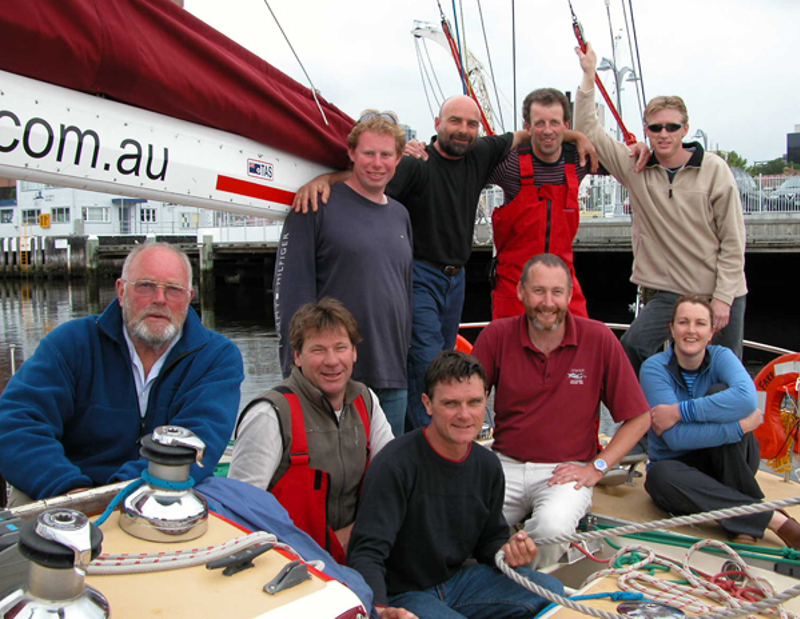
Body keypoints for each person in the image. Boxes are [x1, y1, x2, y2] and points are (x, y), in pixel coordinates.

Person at [294, 95, 598, 430]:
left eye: (471, 124)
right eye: (454, 121)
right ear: (437, 124)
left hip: (457, 279)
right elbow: (368, 180)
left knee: (442, 358)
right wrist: (326, 181)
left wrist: (578, 137)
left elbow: (529, 134)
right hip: (421, 276)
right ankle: (427, 441)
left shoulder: (481, 153)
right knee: (427, 363)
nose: (463, 130)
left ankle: (431, 436)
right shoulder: (416, 164)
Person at [0, 242, 244, 505]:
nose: (159, 299)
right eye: (145, 286)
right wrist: (68, 489)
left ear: (189, 297)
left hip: (165, 494)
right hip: (64, 493)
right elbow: (16, 423)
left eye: (173, 289)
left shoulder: (216, 358)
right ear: (120, 291)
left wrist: (118, 497)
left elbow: (197, 441)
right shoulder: (71, 343)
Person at [347, 350, 564, 619]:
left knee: (552, 593)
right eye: (451, 404)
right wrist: (379, 609)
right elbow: (366, 552)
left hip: (458, 582)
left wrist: (507, 552)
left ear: (486, 400)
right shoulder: (395, 463)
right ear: (428, 404)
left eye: (474, 402)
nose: (465, 415)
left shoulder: (488, 465)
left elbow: (489, 542)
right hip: (402, 593)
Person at [575, 43, 748, 377]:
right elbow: (588, 128)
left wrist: (723, 299)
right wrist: (588, 75)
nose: (663, 134)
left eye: (671, 127)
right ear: (646, 131)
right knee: (633, 348)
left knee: (723, 376)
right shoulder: (634, 168)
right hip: (669, 294)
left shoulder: (715, 171)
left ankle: (726, 430)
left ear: (685, 129)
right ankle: (650, 422)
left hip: (718, 292)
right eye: (655, 128)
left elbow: (732, 241)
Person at [472, 253, 651, 568]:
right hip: (504, 466)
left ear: (569, 296)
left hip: (568, 471)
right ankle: (500, 581)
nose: (548, 302)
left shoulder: (598, 339)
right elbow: (466, 400)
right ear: (521, 293)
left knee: (552, 529)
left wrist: (597, 467)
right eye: (538, 291)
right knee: (464, 525)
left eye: (557, 292)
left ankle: (517, 587)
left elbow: (639, 417)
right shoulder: (496, 336)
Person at [274, 111, 413, 436]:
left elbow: (404, 290)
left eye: (385, 155)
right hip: (333, 376)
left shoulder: (400, 215)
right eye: (368, 153)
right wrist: (294, 373)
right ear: (351, 154)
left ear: (398, 159)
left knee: (384, 478)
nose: (377, 163)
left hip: (393, 376)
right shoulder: (315, 204)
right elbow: (291, 293)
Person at [229, 298, 394, 563]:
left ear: (354, 352)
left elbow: (393, 477)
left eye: (340, 347)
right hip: (288, 562)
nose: (332, 361)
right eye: (318, 350)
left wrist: (355, 535)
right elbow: (239, 512)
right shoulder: (270, 415)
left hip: (359, 553)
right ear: (297, 356)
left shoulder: (367, 401)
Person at [640, 294, 800, 548]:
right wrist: (739, 427)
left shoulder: (722, 357)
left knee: (718, 390)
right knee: (659, 475)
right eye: (683, 322)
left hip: (730, 459)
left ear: (711, 331)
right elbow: (674, 439)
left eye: (700, 323)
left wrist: (680, 412)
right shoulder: (654, 368)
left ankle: (741, 519)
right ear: (671, 329)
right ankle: (772, 518)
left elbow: (747, 401)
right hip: (680, 469)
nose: (691, 330)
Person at [487, 88, 594, 320]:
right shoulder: (509, 164)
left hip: (563, 284)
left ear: (566, 125)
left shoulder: (580, 159)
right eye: (539, 123)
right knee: (509, 348)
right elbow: (465, 164)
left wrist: (641, 150)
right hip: (514, 286)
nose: (547, 130)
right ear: (527, 126)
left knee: (584, 342)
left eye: (554, 123)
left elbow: (626, 164)